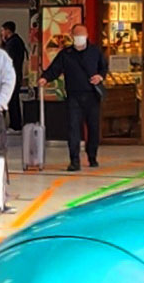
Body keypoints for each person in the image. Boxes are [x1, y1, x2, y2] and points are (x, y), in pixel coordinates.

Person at [44, 25, 108, 173]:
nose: (79, 37)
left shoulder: (95, 51)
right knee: (73, 128)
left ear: (87, 35)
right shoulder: (66, 54)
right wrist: (44, 78)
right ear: (72, 36)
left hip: (92, 95)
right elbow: (55, 69)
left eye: (82, 34)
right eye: (76, 34)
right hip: (73, 95)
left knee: (93, 127)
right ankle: (74, 160)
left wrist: (100, 76)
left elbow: (103, 67)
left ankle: (92, 156)